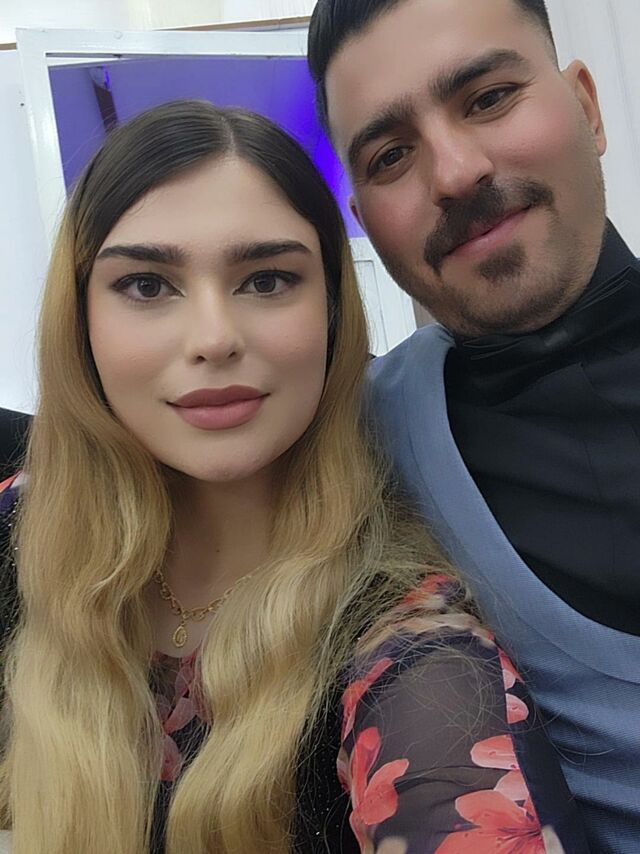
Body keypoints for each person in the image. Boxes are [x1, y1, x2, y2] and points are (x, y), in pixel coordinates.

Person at [0, 100, 587, 853]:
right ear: (80, 322)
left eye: (267, 280)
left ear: (334, 313)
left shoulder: (418, 660)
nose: (214, 338)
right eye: (147, 286)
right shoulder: (20, 532)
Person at [307, 0, 640, 850]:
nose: (455, 172)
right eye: (390, 155)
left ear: (588, 107)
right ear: (364, 222)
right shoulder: (356, 445)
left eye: (489, 98)